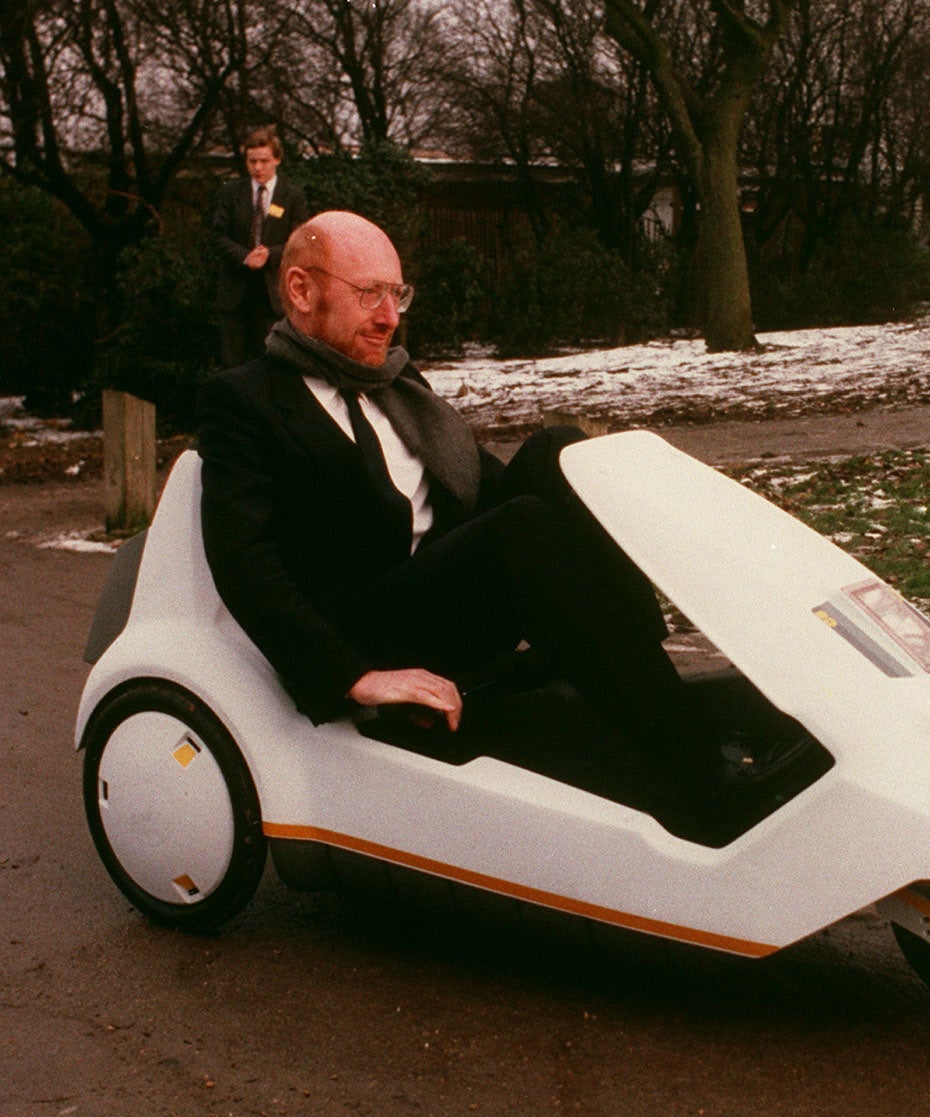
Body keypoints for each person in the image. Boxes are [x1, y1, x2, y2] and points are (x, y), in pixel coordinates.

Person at [197, 211, 811, 846]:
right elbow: (244, 562)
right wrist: (354, 677)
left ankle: (642, 669)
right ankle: (698, 774)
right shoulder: (244, 402)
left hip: (442, 591)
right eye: (368, 295)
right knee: (521, 531)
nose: (390, 317)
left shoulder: (394, 383)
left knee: (561, 453)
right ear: (300, 290)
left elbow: (475, 487)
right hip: (369, 623)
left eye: (397, 293)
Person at [213, 129, 309, 369]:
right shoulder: (230, 192)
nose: (257, 167)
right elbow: (217, 236)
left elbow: (300, 241)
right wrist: (245, 257)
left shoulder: (292, 196)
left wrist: (271, 255)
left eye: (264, 161)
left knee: (270, 362)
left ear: (276, 159)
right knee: (232, 364)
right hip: (235, 293)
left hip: (272, 295)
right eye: (252, 161)